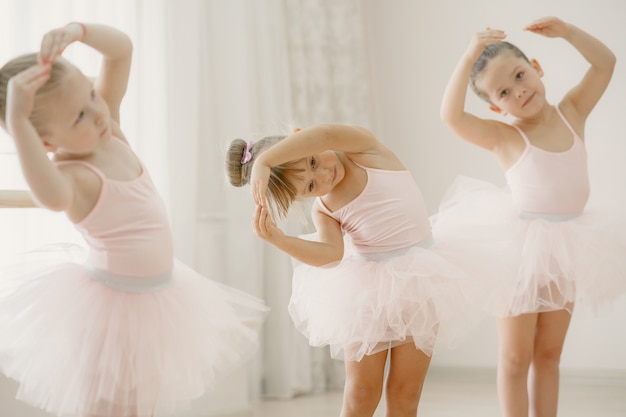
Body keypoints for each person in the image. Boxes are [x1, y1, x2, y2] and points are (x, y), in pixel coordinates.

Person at [0, 22, 268, 417]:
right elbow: (49, 195)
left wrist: (78, 32)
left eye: (91, 94)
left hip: (158, 297)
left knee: (140, 403)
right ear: (45, 143)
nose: (97, 112)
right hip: (112, 308)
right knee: (107, 407)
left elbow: (121, 50)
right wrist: (18, 122)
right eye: (78, 116)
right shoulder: (74, 177)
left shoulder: (110, 132)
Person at [226, 125, 495, 417]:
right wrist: (280, 239)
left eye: (313, 163)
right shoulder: (325, 209)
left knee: (405, 391)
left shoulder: (362, 149)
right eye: (311, 187)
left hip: (421, 281)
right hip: (367, 295)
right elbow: (331, 255)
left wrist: (264, 162)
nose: (324, 176)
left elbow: (326, 136)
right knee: (361, 392)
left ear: (302, 137)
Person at [440, 16, 626, 417]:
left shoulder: (572, 112)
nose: (519, 91)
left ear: (537, 68)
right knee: (514, 357)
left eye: (521, 76)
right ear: (496, 107)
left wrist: (570, 33)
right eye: (504, 92)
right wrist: (468, 55)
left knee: (549, 353)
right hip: (520, 255)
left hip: (569, 247)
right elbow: (451, 118)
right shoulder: (506, 137)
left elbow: (606, 63)